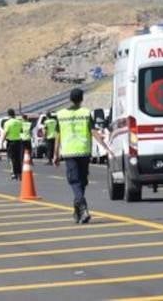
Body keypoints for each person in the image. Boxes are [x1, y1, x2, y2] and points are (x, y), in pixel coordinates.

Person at [54, 88, 108, 224]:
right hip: (84, 151)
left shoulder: (60, 115)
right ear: (82, 99)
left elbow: (57, 136)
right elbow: (93, 130)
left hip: (69, 152)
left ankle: (82, 208)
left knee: (76, 181)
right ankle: (79, 211)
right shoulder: (85, 113)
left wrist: (55, 154)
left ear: (70, 99)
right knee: (81, 181)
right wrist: (103, 144)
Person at [1, 109, 24, 180]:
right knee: (18, 159)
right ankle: (20, 174)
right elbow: (21, 131)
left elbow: (6, 132)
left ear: (8, 115)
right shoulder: (19, 122)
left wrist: (2, 141)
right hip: (19, 142)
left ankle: (14, 174)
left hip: (11, 142)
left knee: (12, 158)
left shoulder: (7, 123)